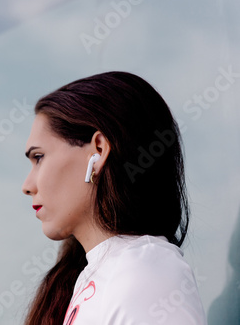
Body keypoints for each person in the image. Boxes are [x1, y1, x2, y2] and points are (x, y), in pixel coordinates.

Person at [21, 71, 207, 325]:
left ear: (97, 151)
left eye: (39, 157)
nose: (27, 186)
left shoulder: (145, 271)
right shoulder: (99, 275)